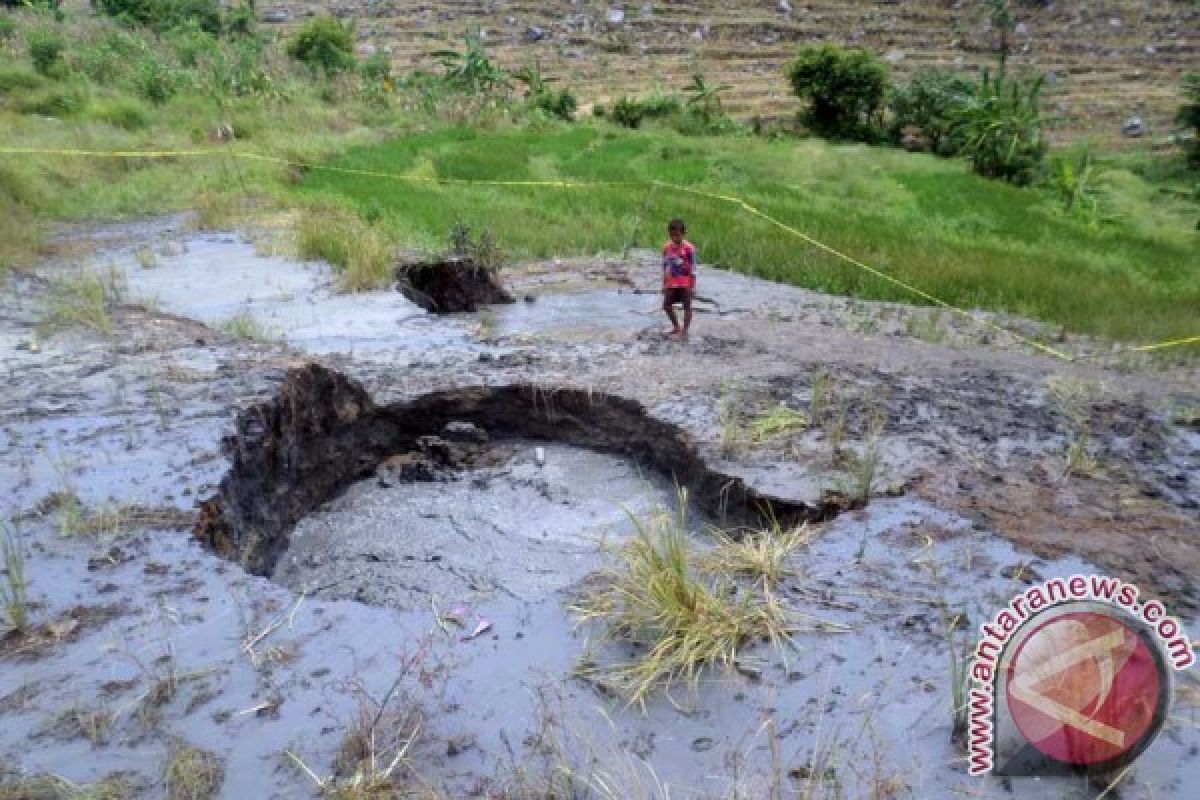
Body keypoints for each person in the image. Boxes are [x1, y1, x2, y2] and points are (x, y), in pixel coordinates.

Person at [661, 218, 697, 339]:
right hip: (672, 282)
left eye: (677, 235)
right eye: (672, 236)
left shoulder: (689, 248)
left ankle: (684, 331)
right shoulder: (667, 248)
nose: (674, 238)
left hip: (685, 283)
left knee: (687, 306)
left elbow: (694, 268)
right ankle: (676, 326)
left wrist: (692, 286)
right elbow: (665, 266)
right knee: (666, 305)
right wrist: (664, 284)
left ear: (684, 233)